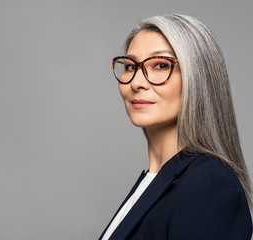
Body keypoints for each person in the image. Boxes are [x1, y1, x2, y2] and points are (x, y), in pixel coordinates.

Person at [99, 14, 252, 240]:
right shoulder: (153, 181)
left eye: (161, 65)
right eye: (131, 66)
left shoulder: (208, 185)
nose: (136, 82)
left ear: (198, 78)